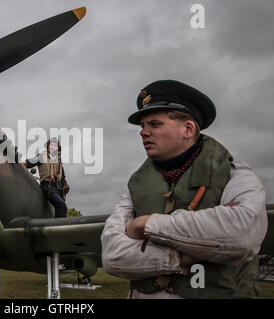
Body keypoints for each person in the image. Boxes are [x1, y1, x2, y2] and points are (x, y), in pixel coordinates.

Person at [101, 80, 268, 299]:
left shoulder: (236, 174)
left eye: (155, 124)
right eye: (142, 126)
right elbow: (113, 257)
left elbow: (243, 235)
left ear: (188, 129)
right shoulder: (135, 187)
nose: (143, 132)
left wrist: (146, 224)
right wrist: (181, 258)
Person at [23, 137, 70, 218]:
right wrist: (19, 162)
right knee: (61, 205)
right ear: (47, 147)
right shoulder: (41, 156)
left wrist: (65, 184)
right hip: (47, 186)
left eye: (55, 145)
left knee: (63, 208)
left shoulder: (59, 162)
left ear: (58, 148)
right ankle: (57, 230)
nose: (53, 147)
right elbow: (28, 163)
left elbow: (62, 178)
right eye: (51, 145)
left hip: (58, 189)